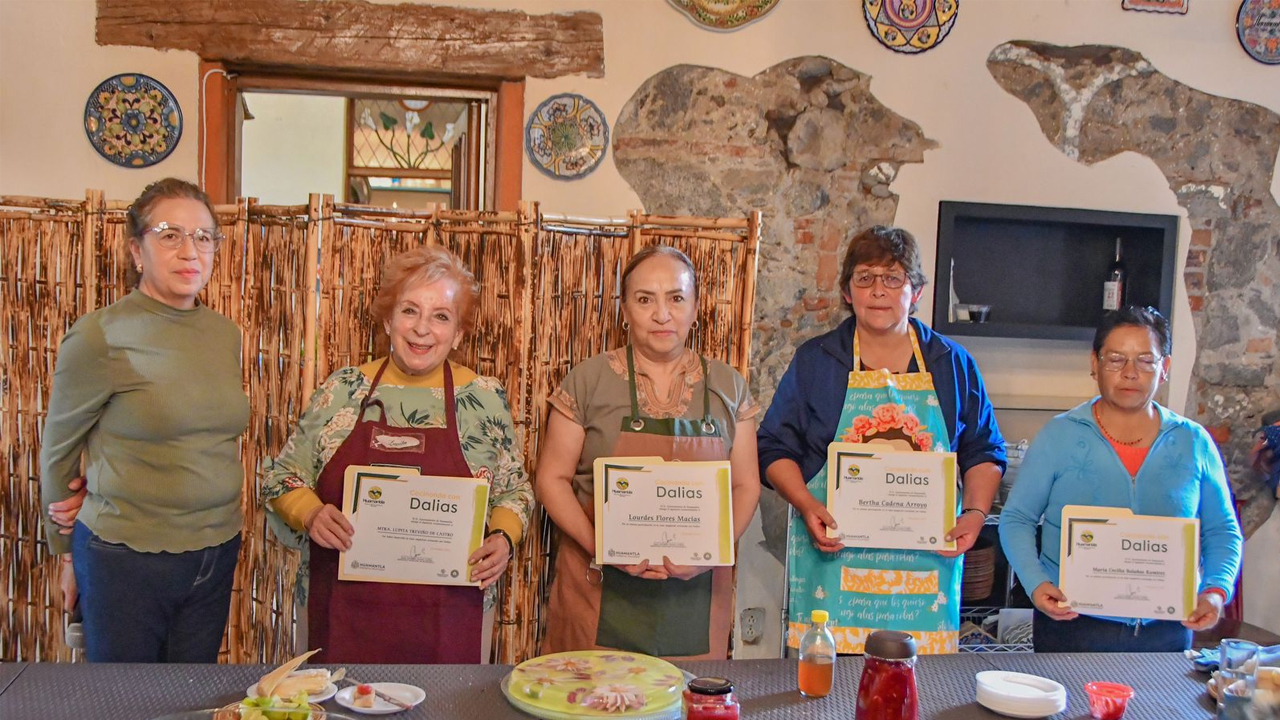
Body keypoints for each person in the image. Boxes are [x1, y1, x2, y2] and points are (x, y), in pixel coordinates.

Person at [261, 246, 532, 664]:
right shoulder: (344, 390)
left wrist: (503, 538)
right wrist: (311, 514)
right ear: (388, 319)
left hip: (450, 615)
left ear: (458, 333)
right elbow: (282, 479)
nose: (422, 329)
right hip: (340, 612)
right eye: (410, 311)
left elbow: (515, 491)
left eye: (441, 316)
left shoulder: (482, 398)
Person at [758, 225, 1006, 655]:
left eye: (893, 278)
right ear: (848, 292)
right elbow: (774, 446)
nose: (878, 290)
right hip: (834, 566)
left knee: (915, 696)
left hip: (925, 574)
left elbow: (983, 450)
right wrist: (807, 503)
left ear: (917, 291)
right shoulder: (817, 361)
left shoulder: (953, 364)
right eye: (865, 278)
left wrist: (976, 513)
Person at [40, 178, 249, 663]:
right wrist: (66, 554)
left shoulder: (225, 335)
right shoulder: (100, 336)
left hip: (215, 548)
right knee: (126, 704)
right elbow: (59, 449)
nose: (189, 250)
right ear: (137, 250)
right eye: (169, 234)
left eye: (203, 237)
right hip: (125, 556)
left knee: (189, 700)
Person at [536, 245, 762, 660]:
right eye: (645, 299)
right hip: (597, 590)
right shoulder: (587, 382)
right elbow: (551, 479)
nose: (662, 314)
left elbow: (746, 484)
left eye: (676, 298)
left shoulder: (729, 387)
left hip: (693, 598)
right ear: (624, 309)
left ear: (696, 307)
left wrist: (709, 553)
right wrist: (604, 547)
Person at [999, 306, 1242, 652]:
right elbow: (1016, 519)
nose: (1130, 373)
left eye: (1145, 360)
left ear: (1165, 368)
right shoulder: (1060, 436)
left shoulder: (1193, 441)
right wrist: (1037, 584)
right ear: (1094, 364)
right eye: (1116, 359)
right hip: (1071, 627)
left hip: (1166, 632)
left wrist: (1216, 591)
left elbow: (1222, 530)